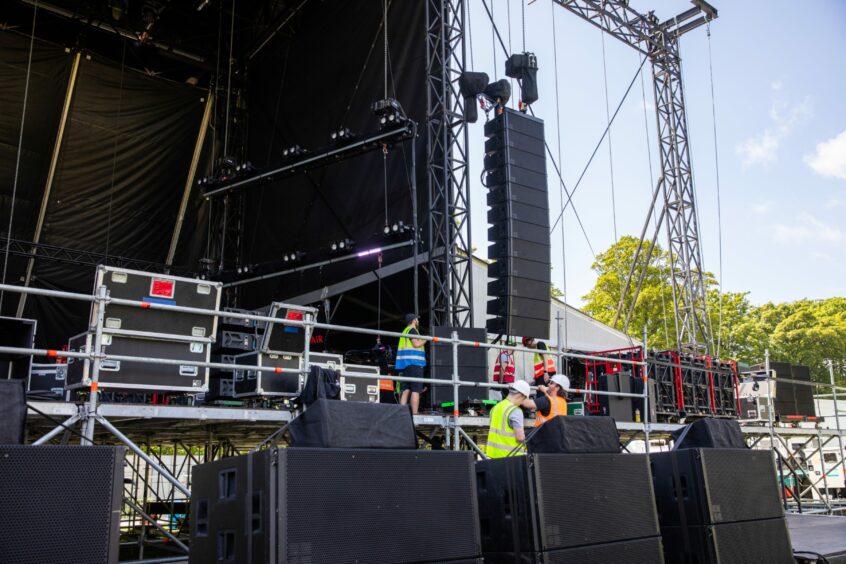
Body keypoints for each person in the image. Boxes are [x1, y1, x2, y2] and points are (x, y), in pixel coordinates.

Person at [486, 380, 531, 458]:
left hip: (492, 456)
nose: (522, 403)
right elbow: (520, 437)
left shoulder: (495, 407)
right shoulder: (516, 411)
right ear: (520, 395)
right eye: (524, 399)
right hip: (510, 459)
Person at [396, 313, 426, 414]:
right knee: (416, 390)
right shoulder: (412, 330)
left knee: (406, 389)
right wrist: (426, 339)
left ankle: (401, 412)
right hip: (415, 363)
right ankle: (415, 414)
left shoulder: (405, 330)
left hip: (406, 364)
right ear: (414, 320)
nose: (418, 321)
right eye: (417, 319)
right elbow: (416, 344)